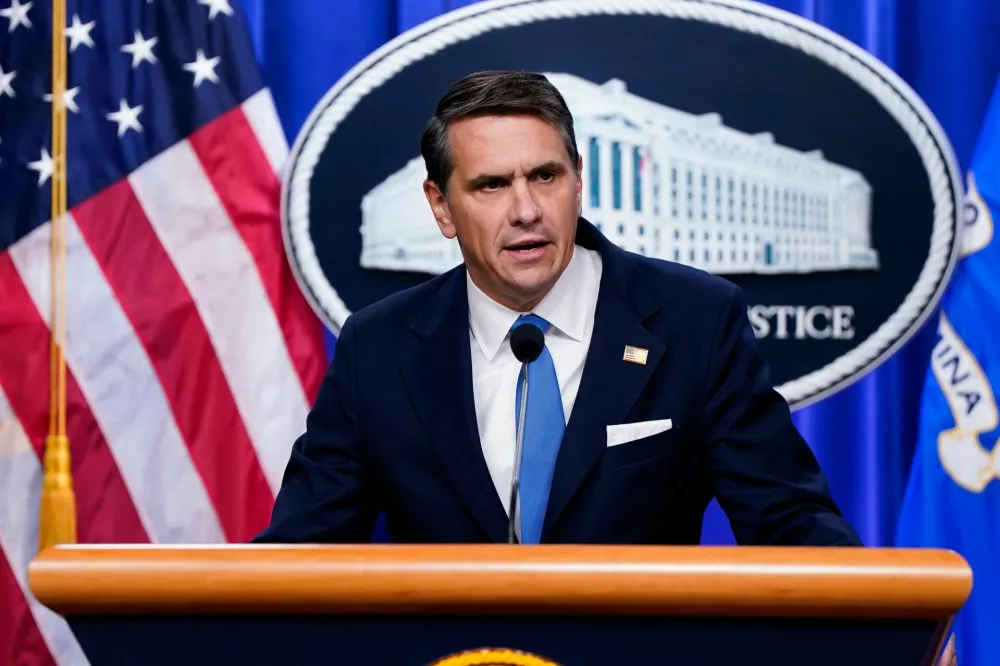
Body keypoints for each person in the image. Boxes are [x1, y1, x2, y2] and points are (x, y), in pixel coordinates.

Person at [254, 70, 862, 547]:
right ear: (441, 207)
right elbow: (306, 549)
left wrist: (890, 627)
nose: (525, 210)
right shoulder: (378, 347)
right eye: (492, 185)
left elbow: (791, 520)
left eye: (545, 176)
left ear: (578, 181)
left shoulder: (695, 322)